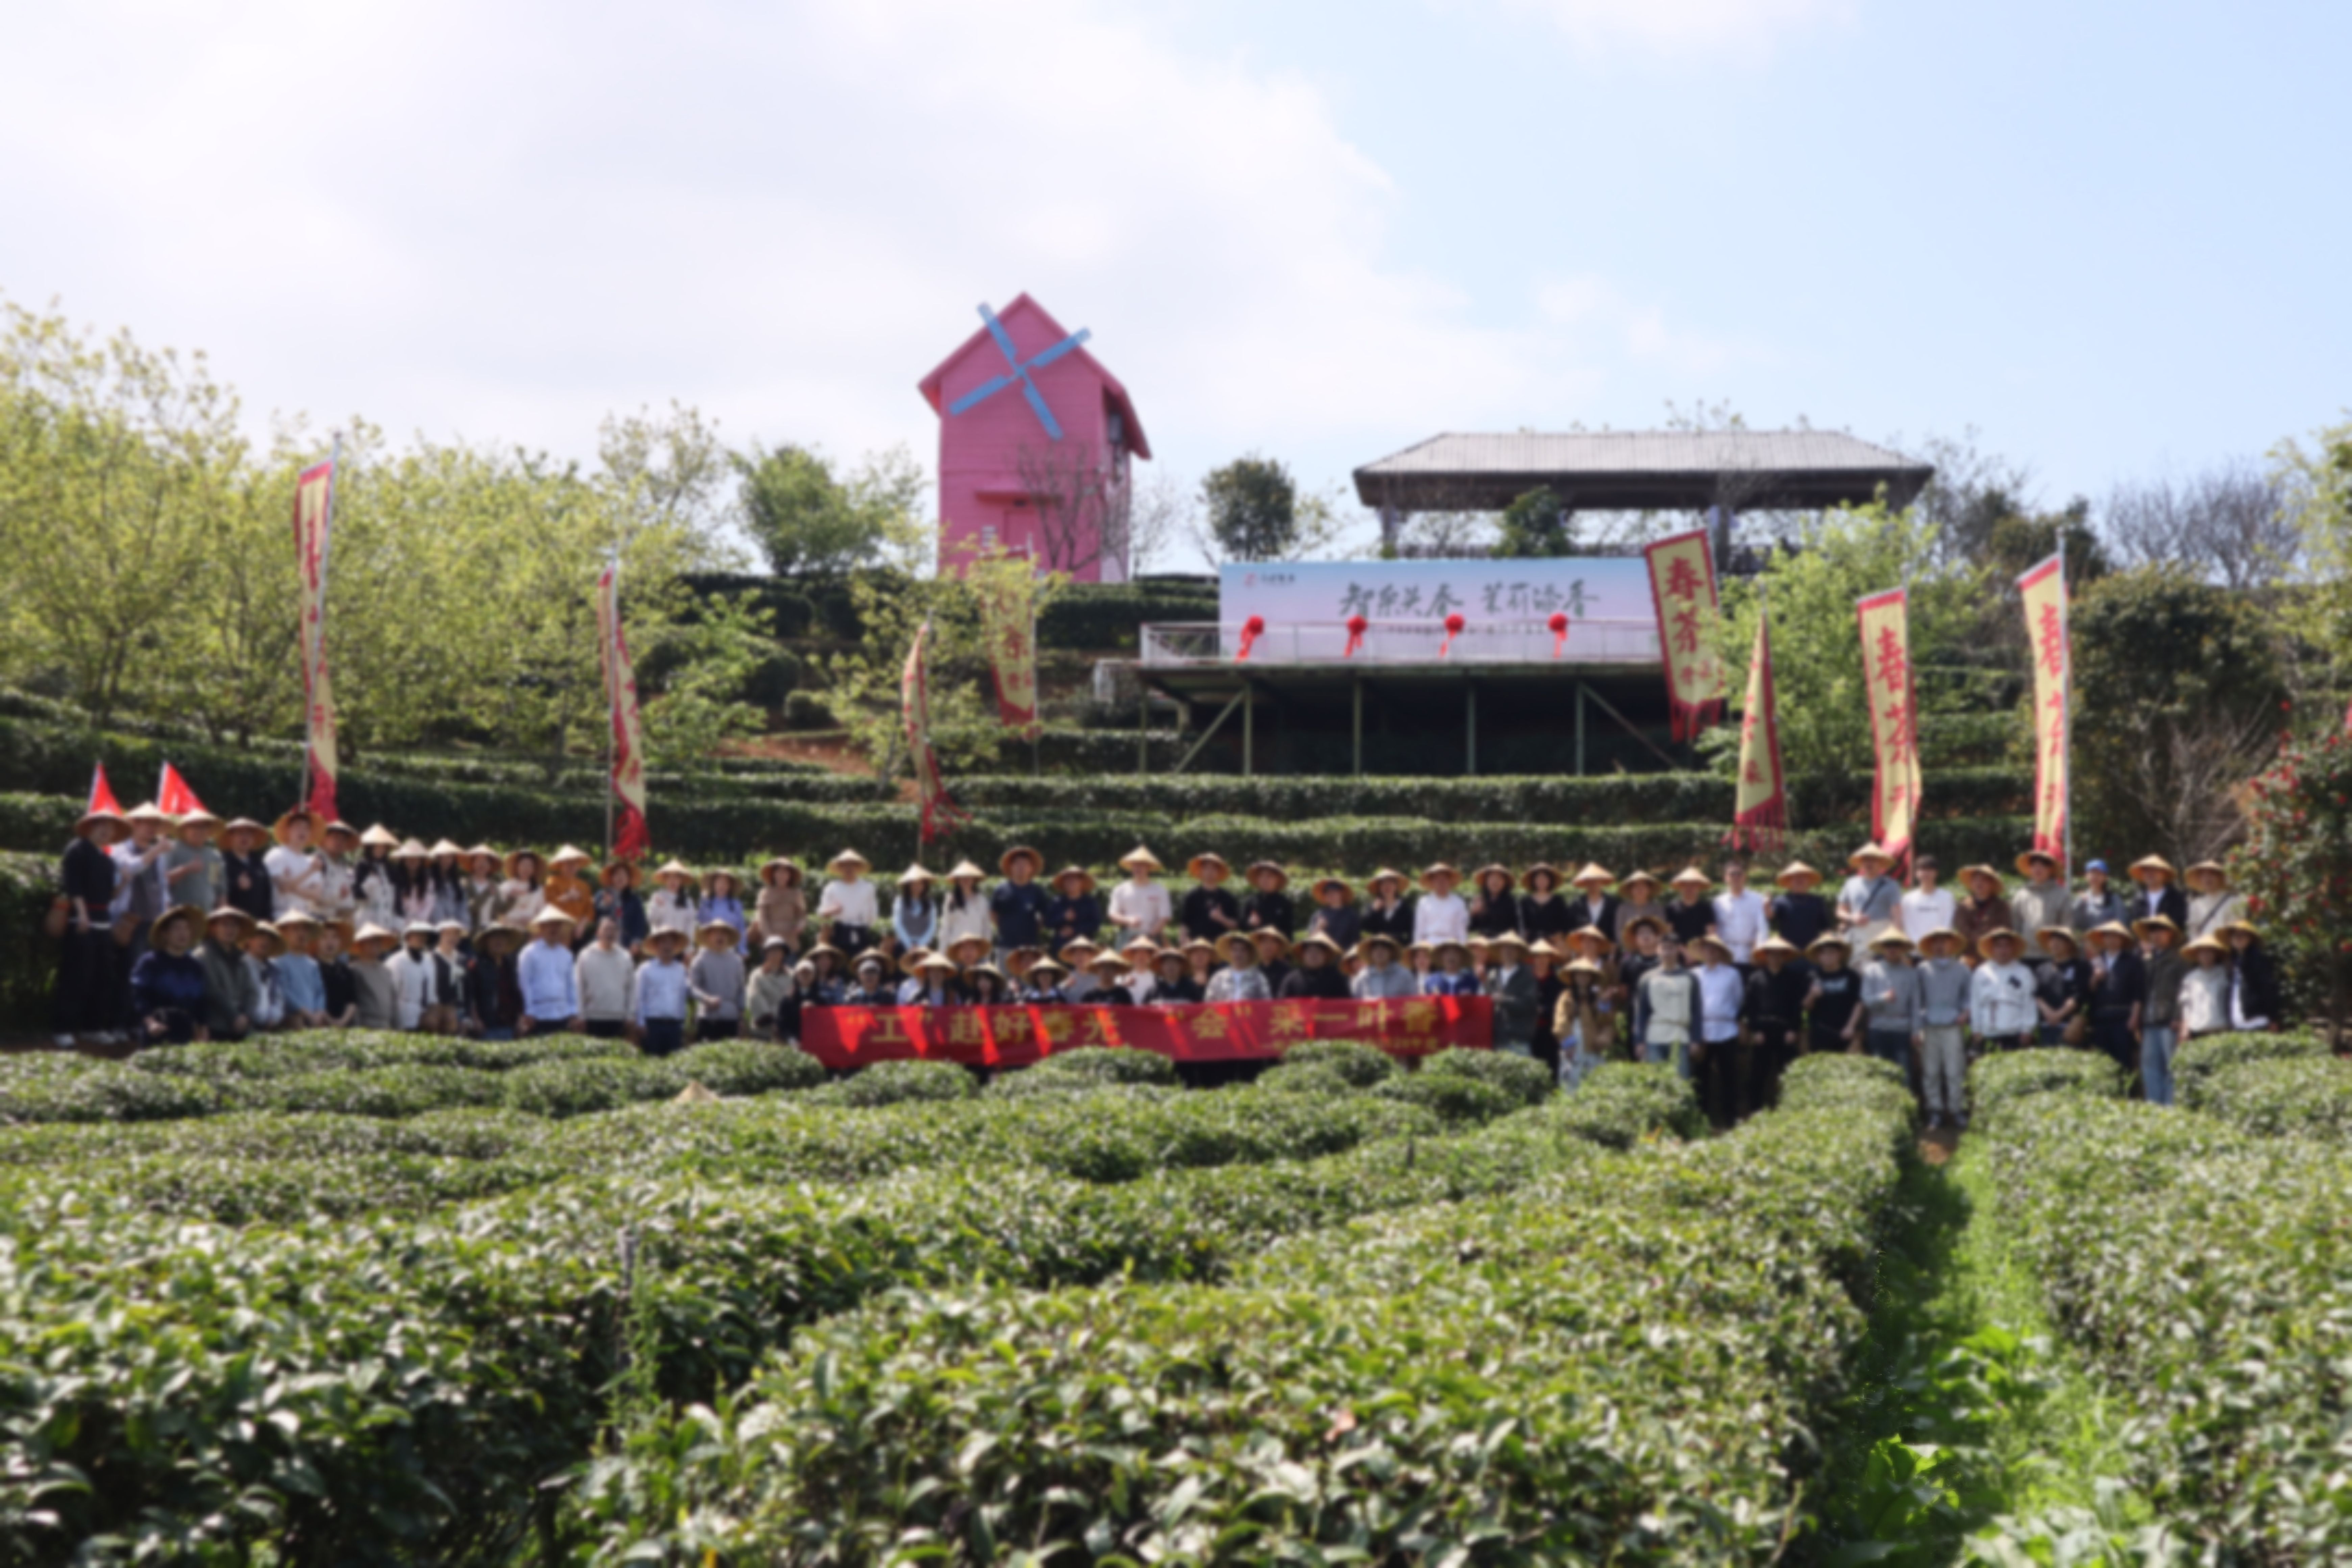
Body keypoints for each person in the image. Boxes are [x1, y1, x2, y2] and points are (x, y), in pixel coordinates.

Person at [52, 801, 125, 1047]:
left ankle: (93, 1027)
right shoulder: (78, 850)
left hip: (103, 921)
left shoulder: (107, 860)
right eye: (101, 825)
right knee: (76, 976)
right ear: (90, 827)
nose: (106, 831)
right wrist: (82, 914)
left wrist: (125, 882)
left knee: (103, 977)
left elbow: (110, 895)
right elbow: (74, 885)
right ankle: (63, 1029)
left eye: (110, 828)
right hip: (82, 920)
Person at [1914, 929, 1972, 1130]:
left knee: (1955, 1071)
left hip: (1953, 1026)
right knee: (1931, 1071)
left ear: (1953, 945)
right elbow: (1917, 999)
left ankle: (1957, 1110)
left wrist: (1966, 1013)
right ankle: (1935, 1111)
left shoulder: (1963, 969)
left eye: (1944, 942)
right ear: (1930, 946)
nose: (1940, 946)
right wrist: (1917, 1026)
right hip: (1929, 1026)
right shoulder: (1922, 969)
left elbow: (1969, 996)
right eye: (1936, 942)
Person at [1742, 935, 1809, 1110]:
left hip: (1786, 1030)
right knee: (1758, 1073)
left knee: (1789, 1072)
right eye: (1772, 954)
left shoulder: (1794, 979)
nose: (1775, 958)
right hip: (1762, 1031)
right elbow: (1750, 1007)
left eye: (1779, 954)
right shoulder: (1756, 978)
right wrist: (1755, 1030)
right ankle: (1755, 1110)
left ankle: (1791, 1108)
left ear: (1785, 956)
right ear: (1766, 956)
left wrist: (1793, 1029)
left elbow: (1797, 1006)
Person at [128, 906, 210, 1044]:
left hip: (186, 1031)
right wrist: (151, 1023)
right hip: (158, 1028)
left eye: (186, 928)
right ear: (165, 934)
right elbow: (139, 996)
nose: (182, 933)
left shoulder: (195, 966)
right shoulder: (150, 962)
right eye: (177, 928)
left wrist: (203, 1028)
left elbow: (201, 1001)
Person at [1690, 934, 1746, 1124]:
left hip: (1727, 1029)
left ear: (1721, 952)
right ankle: (1702, 1119)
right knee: (1701, 1076)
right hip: (1702, 1029)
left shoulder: (1732, 974)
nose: (1711, 952)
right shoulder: (1694, 974)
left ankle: (1730, 1118)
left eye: (1715, 948)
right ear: (1702, 951)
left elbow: (1739, 1000)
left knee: (1729, 1075)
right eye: (1707, 948)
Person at [1858, 932, 1922, 1097]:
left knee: (1904, 1072)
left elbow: (1916, 1005)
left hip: (1902, 1029)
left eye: (1896, 945)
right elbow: (1866, 1000)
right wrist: (1883, 998)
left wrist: (1916, 1031)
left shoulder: (1911, 973)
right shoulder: (1872, 971)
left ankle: (1906, 1105)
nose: (1892, 949)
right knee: (1880, 1071)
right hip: (1878, 1027)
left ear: (1902, 949)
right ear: (1882, 948)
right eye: (1888, 946)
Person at [2083, 922, 2146, 1078]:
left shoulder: (2132, 961)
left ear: (2122, 939)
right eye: (2108, 936)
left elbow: (2138, 993)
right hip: (2100, 1016)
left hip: (2123, 1016)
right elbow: (2088, 991)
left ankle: (2126, 1090)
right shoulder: (2096, 961)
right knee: (2102, 1060)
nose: (2111, 940)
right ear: (2103, 939)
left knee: (2124, 1059)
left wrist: (2135, 1017)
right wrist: (2095, 979)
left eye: (2115, 937)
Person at [2136, 915, 2185, 1106]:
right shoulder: (2148, 961)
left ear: (2170, 934)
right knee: (2150, 1067)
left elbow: (2185, 991)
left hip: (2169, 1021)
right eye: (2152, 932)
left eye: (2160, 931)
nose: (2155, 935)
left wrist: (2179, 1016)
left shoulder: (2180, 959)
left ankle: (2170, 1108)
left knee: (2172, 1067)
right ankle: (2154, 1108)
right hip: (2149, 1021)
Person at [1968, 930, 2037, 1055]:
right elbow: (1975, 1003)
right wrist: (1976, 1029)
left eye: (2007, 946)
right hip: (1987, 1032)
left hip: (2015, 1033)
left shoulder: (2024, 972)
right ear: (1992, 949)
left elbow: (2029, 1003)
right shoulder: (1981, 972)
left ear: (2013, 949)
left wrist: (2027, 1030)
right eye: (1999, 946)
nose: (2003, 950)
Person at [1637, 937, 1698, 1077]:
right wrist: (1639, 1041)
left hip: (1680, 1036)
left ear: (1678, 950)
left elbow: (1696, 1011)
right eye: (1664, 948)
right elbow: (1642, 1012)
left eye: (1671, 948)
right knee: (1656, 1080)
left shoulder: (1690, 978)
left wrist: (1696, 1040)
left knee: (1681, 1081)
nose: (1667, 952)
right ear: (1658, 951)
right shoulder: (1648, 979)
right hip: (1654, 1036)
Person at [196, 907, 259, 1044]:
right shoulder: (203, 955)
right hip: (216, 1026)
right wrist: (234, 1016)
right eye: (225, 925)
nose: (230, 930)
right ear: (214, 928)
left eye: (234, 925)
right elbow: (212, 990)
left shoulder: (243, 958)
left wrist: (247, 1017)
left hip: (243, 1026)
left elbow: (252, 991)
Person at [517, 909, 583, 1036]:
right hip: (538, 1014)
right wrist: (529, 1011)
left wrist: (573, 1012)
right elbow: (525, 984)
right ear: (542, 927)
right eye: (550, 925)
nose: (554, 929)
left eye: (557, 925)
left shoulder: (567, 955)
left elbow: (571, 985)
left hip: (562, 1013)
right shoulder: (529, 953)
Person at [632, 928, 692, 1056]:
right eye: (664, 942)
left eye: (671, 943)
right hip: (652, 1024)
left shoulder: (681, 970)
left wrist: (683, 1024)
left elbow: (683, 997)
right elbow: (639, 998)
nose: (667, 946)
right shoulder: (645, 969)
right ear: (656, 946)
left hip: (674, 1025)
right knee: (652, 1061)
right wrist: (641, 1023)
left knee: (675, 1062)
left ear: (675, 947)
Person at [575, 917, 637, 1038]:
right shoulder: (586, 956)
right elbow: (579, 987)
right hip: (593, 1017)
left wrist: (630, 1015)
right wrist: (580, 1015)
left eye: (613, 930)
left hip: (618, 1017)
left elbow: (632, 989)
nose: (610, 933)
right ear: (598, 932)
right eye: (606, 929)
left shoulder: (626, 957)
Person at [1804, 936, 1863, 1058]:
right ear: (1819, 956)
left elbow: (1859, 1003)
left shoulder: (1851, 976)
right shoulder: (1812, 976)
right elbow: (1806, 1007)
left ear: (1840, 954)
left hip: (1845, 1031)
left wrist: (1851, 1026)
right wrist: (1812, 995)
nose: (1828, 956)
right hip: (1820, 1032)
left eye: (1832, 952)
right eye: (1824, 953)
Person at [1555, 957, 1609, 1089]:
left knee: (1593, 1084)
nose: (1583, 978)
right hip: (1572, 1044)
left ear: (1591, 977)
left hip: (1592, 1044)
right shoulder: (1566, 996)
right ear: (1574, 977)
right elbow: (1560, 1020)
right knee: (1570, 1085)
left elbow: (1606, 1022)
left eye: (1586, 974)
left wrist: (1604, 1004)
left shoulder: (1598, 996)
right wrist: (1568, 1042)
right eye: (1579, 974)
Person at [1483, 931, 1540, 1056]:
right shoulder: (1493, 976)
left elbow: (1529, 1004)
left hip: (1519, 1039)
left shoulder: (1527, 976)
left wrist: (1504, 1000)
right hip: (1496, 1038)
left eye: (1512, 948)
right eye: (1504, 948)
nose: (1508, 952)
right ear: (1499, 951)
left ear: (1518, 952)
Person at [689, 920, 746, 1040]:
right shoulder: (700, 960)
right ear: (708, 936)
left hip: (731, 1017)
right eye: (716, 933)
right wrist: (706, 999)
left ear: (729, 937)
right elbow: (693, 987)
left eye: (724, 933)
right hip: (708, 1017)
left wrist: (741, 1015)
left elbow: (741, 989)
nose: (720, 937)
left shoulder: (737, 961)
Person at [272, 911, 330, 1029]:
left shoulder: (312, 964)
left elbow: (320, 992)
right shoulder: (279, 961)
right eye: (296, 929)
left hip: (314, 1019)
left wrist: (319, 1012)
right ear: (284, 933)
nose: (301, 934)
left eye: (305, 930)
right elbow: (284, 992)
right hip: (293, 1020)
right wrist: (306, 1014)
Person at [265, 809, 327, 919]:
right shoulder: (277, 854)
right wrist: (310, 872)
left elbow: (316, 895)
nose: (302, 831)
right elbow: (283, 887)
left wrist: (292, 888)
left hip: (305, 915)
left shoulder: (311, 861)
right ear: (288, 830)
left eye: (306, 828)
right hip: (281, 914)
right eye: (298, 827)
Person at [2033, 928, 2090, 1046]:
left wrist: (2059, 1015)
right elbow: (2037, 995)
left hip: (2070, 1026)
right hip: (2046, 1024)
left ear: (2069, 944)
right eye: (2052, 941)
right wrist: (2049, 1013)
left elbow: (2078, 995)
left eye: (2060, 941)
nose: (2055, 944)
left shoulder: (2080, 967)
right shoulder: (2042, 969)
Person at [992, 846, 1053, 957]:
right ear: (1011, 867)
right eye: (1017, 864)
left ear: (1031, 868)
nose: (1021, 867)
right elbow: (993, 913)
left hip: (1030, 946)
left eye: (1025, 864)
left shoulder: (1037, 891)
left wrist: (1034, 930)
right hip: (1005, 944)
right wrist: (1004, 928)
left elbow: (1045, 915)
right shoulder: (1001, 889)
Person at [1836, 844, 1902, 946]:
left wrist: (1896, 938)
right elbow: (1840, 911)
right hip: (1857, 932)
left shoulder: (1891, 885)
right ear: (1861, 863)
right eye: (1866, 860)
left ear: (1881, 863)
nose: (1869, 863)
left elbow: (1897, 915)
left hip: (1882, 932)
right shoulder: (1851, 883)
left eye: (1873, 860)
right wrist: (1852, 917)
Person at [162, 809, 224, 915]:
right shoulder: (172, 849)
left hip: (207, 915)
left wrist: (221, 915)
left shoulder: (214, 856)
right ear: (185, 829)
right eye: (194, 826)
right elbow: (163, 881)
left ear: (209, 831)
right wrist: (187, 869)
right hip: (179, 916)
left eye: (203, 827)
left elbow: (218, 888)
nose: (199, 831)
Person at [2010, 851, 2072, 956]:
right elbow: (2015, 926)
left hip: (2052, 955)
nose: (2038, 869)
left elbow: (2067, 926)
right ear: (2030, 869)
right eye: (2034, 866)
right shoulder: (2021, 895)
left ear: (2050, 869)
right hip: (2026, 954)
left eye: (2042, 866)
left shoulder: (2062, 895)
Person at [467, 923, 524, 1038]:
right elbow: (470, 996)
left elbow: (517, 995)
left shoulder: (510, 965)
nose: (499, 941)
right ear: (486, 942)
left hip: (510, 1024)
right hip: (486, 1025)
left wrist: (520, 1019)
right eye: (494, 938)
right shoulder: (476, 965)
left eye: (502, 938)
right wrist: (476, 1019)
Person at [2221, 921, 2278, 1033]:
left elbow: (2269, 990)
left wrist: (2273, 1018)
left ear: (2250, 939)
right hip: (2237, 1023)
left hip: (2257, 1021)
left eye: (2243, 935)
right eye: (2235, 936)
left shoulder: (2259, 961)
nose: (2238, 939)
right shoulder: (2232, 963)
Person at [1107, 847, 1172, 942]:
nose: (1137, 868)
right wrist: (1128, 920)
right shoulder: (1120, 890)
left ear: (1149, 867)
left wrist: (1150, 937)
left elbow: (1164, 918)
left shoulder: (1160, 891)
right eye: (1135, 865)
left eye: (1142, 865)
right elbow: (1113, 914)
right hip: (1127, 937)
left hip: (1152, 937)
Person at [1710, 860, 1768, 968]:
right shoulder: (1718, 902)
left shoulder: (1757, 900)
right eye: (1732, 874)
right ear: (1726, 878)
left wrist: (1758, 953)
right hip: (1726, 956)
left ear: (1745, 877)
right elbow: (1716, 931)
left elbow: (1762, 929)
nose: (1736, 877)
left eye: (1739, 874)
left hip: (1750, 955)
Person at [390, 922, 443, 1033]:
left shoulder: (429, 961)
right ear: (408, 937)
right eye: (418, 935)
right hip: (403, 1014)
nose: (422, 939)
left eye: (424, 936)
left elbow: (432, 994)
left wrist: (433, 1013)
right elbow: (392, 994)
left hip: (425, 1015)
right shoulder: (397, 961)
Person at [220, 819, 276, 925]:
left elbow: (267, 893)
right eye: (240, 833)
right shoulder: (218, 861)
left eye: (249, 834)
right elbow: (213, 887)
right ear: (231, 837)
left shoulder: (259, 863)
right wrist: (236, 885)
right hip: (231, 924)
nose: (245, 837)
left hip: (258, 922)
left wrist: (268, 920)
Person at [1767, 862, 1829, 954]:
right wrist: (1767, 905)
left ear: (1809, 881)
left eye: (1803, 877)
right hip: (1788, 952)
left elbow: (1825, 927)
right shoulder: (1781, 901)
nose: (1800, 880)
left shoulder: (1817, 901)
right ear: (1789, 881)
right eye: (1795, 877)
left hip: (1812, 952)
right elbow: (1770, 916)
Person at [1952, 866, 2011, 962]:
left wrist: (1988, 939)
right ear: (1971, 883)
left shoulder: (2002, 906)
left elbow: (2006, 928)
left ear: (1992, 884)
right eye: (1976, 880)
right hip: (1969, 954)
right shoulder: (1964, 906)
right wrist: (1977, 937)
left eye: (1984, 880)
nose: (1979, 883)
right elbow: (1961, 927)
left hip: (1993, 954)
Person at [348, 923, 401, 1031]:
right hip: (366, 1024)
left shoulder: (386, 971)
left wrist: (397, 1027)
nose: (376, 945)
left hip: (386, 1025)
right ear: (361, 945)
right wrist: (357, 1028)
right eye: (371, 942)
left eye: (378, 942)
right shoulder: (354, 970)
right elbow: (353, 1002)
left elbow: (393, 1001)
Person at [1181, 852, 1242, 944]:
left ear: (1219, 872)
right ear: (1200, 871)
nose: (1210, 872)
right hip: (1198, 945)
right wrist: (1184, 943)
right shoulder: (1192, 897)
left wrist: (1222, 919)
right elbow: (1185, 924)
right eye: (1206, 868)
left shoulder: (1228, 898)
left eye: (1214, 869)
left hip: (1222, 945)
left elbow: (1236, 926)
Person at [746, 937, 799, 1042]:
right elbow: (755, 997)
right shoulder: (757, 975)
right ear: (766, 954)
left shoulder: (793, 975)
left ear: (784, 954)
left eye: (778, 950)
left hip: (787, 1028)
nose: (775, 953)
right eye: (771, 950)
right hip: (764, 1029)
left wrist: (786, 1020)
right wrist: (769, 1019)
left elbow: (796, 999)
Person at [2178, 936, 2231, 1040]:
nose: (2206, 956)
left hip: (2220, 1027)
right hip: (2197, 1028)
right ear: (2197, 955)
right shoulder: (2191, 978)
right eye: (2202, 952)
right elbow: (2187, 1005)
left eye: (2209, 952)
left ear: (2216, 954)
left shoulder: (2224, 974)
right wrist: (2185, 1028)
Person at [595, 861, 651, 953]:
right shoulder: (602, 895)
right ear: (612, 877)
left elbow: (640, 923)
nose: (620, 878)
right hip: (603, 941)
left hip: (626, 943)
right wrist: (605, 905)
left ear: (629, 879)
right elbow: (594, 916)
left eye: (624, 875)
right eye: (617, 874)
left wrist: (636, 941)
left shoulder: (635, 900)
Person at [936, 860, 991, 954]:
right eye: (963, 877)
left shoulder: (982, 901)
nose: (966, 880)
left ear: (974, 880)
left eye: (969, 877)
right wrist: (942, 951)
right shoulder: (950, 900)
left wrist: (986, 952)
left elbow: (986, 928)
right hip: (955, 949)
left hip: (976, 950)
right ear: (958, 880)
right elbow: (946, 927)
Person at [1527, 938, 1565, 1076]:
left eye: (1545, 957)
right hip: (1529, 1031)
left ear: (1550, 959)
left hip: (1550, 1033)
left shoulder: (1558, 982)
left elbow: (1560, 1006)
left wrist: (1544, 1010)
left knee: (1551, 1069)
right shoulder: (1526, 979)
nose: (1541, 961)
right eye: (1538, 957)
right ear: (1533, 959)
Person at [352, 826, 401, 929]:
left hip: (388, 919)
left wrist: (398, 922)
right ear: (370, 847)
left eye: (383, 847)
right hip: (368, 918)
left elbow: (397, 897)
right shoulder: (362, 866)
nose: (380, 850)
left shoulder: (391, 868)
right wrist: (370, 882)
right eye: (377, 847)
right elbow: (357, 894)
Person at [243, 922, 288, 1033]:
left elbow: (278, 999)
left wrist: (275, 1017)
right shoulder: (241, 966)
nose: (265, 941)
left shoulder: (274, 970)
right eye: (260, 937)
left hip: (269, 1027)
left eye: (269, 939)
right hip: (246, 1026)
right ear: (249, 940)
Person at [1045, 865, 1101, 953]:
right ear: (1064, 883)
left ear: (1082, 883)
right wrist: (1063, 918)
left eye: (1075, 880)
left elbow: (1095, 925)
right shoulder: (1057, 901)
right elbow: (1048, 922)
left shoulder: (1090, 902)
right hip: (1060, 946)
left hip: (1084, 947)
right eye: (1068, 880)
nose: (1071, 883)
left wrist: (1075, 930)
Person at [1898, 856, 1955, 942]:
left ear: (1937, 873)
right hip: (1913, 946)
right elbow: (1905, 924)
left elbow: (1948, 922)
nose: (1926, 873)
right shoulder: (1908, 899)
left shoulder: (1947, 897)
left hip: (1939, 946)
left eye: (1930, 870)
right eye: (1922, 870)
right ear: (1916, 873)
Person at [545, 846, 598, 936]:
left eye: (575, 863)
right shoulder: (552, 882)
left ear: (579, 866)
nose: (572, 866)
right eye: (568, 863)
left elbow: (589, 911)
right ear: (561, 865)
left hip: (579, 929)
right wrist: (567, 897)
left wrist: (582, 925)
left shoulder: (585, 886)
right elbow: (548, 906)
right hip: (558, 927)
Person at [1282, 932, 1351, 1001]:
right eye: (1310, 952)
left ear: (1325, 956)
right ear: (1303, 955)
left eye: (1318, 952)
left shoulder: (1336, 978)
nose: (1313, 955)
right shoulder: (1292, 979)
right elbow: (1282, 1004)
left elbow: (1346, 1003)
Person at [2125, 856, 2189, 931]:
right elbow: (2134, 923)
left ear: (2164, 874)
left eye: (2154, 871)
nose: (2150, 875)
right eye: (2146, 871)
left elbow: (2179, 922)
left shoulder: (2175, 898)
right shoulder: (2139, 899)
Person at [2183, 861, 2241, 942]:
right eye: (2203, 875)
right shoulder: (2195, 905)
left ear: (2220, 877)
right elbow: (2193, 931)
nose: (2207, 878)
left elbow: (2237, 929)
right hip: (2205, 947)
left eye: (2212, 874)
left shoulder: (2234, 901)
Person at [1204, 932, 1270, 1003]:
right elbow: (1209, 1002)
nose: (1238, 954)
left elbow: (1267, 1002)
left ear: (1249, 953)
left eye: (1243, 950)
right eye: (1235, 950)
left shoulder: (1258, 978)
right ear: (1230, 952)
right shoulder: (1219, 978)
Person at [317, 920, 359, 1028]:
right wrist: (329, 1020)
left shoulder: (346, 970)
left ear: (340, 942)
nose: (330, 942)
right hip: (319, 1025)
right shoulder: (313, 968)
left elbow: (352, 1001)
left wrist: (342, 1022)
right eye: (324, 937)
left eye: (335, 937)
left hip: (344, 1026)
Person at [1413, 864, 1469, 945]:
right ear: (1432, 882)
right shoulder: (1424, 902)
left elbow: (1461, 930)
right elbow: (1419, 929)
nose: (1441, 883)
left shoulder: (1458, 903)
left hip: (1452, 943)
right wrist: (1418, 947)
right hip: (1430, 943)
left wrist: (1462, 947)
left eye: (1444, 879)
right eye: (1437, 880)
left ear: (1449, 881)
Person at [1564, 864, 1621, 942]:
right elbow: (1569, 929)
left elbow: (1618, 929)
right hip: (1583, 947)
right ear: (1585, 883)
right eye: (1590, 881)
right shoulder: (1576, 905)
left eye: (1596, 881)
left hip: (1607, 947)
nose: (1593, 884)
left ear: (1602, 882)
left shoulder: (1613, 905)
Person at [699, 867, 751, 953]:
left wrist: (743, 949)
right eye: (719, 882)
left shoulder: (736, 904)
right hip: (709, 947)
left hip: (730, 947)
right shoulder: (706, 903)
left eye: (725, 883)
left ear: (730, 886)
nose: (722, 886)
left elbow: (741, 928)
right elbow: (701, 923)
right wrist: (703, 901)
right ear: (713, 884)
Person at [891, 865, 941, 954]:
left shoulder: (930, 903)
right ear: (908, 886)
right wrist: (909, 945)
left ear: (925, 886)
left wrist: (921, 944)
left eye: (920, 884)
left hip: (925, 945)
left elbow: (932, 925)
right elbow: (898, 924)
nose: (917, 887)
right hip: (904, 944)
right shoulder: (900, 901)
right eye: (914, 884)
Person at [1352, 932, 1416, 1000]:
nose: (1379, 952)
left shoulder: (1404, 975)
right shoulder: (1362, 977)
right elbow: (1355, 1003)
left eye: (1384, 949)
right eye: (1376, 949)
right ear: (1371, 953)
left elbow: (1414, 1001)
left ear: (1391, 952)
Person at [1305, 877, 1362, 952]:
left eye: (1334, 892)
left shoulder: (1352, 915)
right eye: (1328, 893)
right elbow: (1310, 940)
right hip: (1324, 955)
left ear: (1341, 894)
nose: (1331, 895)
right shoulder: (1318, 915)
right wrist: (1319, 927)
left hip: (1345, 954)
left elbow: (1356, 941)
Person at [1241, 861, 1296, 939]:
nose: (1265, 880)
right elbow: (1242, 928)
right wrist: (1250, 923)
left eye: (1270, 876)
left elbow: (1289, 932)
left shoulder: (1285, 903)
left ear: (1278, 880)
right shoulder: (1251, 902)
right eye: (1262, 876)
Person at [1361, 869, 1416, 947]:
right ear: (1379, 888)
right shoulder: (1372, 906)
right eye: (1383, 883)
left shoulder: (1405, 908)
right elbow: (1365, 927)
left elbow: (1412, 931)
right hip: (1378, 948)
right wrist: (1374, 911)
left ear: (1396, 886)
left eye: (1391, 883)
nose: (1387, 887)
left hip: (1399, 947)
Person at [647, 861, 699, 943]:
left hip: (681, 944)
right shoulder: (658, 897)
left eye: (676, 878)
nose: (673, 881)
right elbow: (651, 920)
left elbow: (690, 926)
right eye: (670, 878)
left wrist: (689, 946)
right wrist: (659, 907)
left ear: (681, 881)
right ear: (665, 880)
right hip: (662, 943)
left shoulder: (688, 902)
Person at [1519, 864, 1571, 944]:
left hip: (1554, 944)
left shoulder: (1558, 901)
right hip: (1532, 943)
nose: (1542, 881)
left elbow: (1565, 924)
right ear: (1534, 881)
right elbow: (1523, 925)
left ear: (1550, 880)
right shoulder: (1525, 902)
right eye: (1538, 879)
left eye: (1545, 878)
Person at [2070, 859, 2125, 934]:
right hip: (2089, 940)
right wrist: (2079, 905)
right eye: (2092, 873)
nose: (2095, 877)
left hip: (2110, 939)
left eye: (2099, 873)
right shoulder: (2081, 899)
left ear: (2106, 877)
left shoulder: (2115, 900)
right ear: (2086, 876)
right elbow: (2075, 925)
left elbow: (2122, 924)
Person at [497, 849, 547, 929]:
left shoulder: (539, 889)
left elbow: (542, 911)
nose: (526, 868)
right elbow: (499, 911)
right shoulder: (506, 886)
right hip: (509, 929)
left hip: (531, 929)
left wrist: (533, 921)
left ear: (534, 869)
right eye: (523, 865)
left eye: (530, 866)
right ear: (517, 867)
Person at [1468, 865, 1522, 941]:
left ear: (1505, 883)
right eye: (1492, 878)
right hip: (1484, 942)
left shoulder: (1512, 902)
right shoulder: (1480, 900)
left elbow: (1518, 928)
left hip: (1504, 942)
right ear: (1486, 882)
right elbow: (1470, 928)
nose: (1495, 882)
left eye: (1499, 878)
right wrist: (1474, 913)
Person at [1665, 867, 1715, 946]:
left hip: (1701, 949)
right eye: (1686, 885)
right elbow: (1669, 933)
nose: (1689, 889)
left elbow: (1711, 933)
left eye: (1693, 885)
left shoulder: (1706, 908)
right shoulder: (1672, 908)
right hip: (1677, 949)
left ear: (1699, 887)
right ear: (1681, 887)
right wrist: (1682, 950)